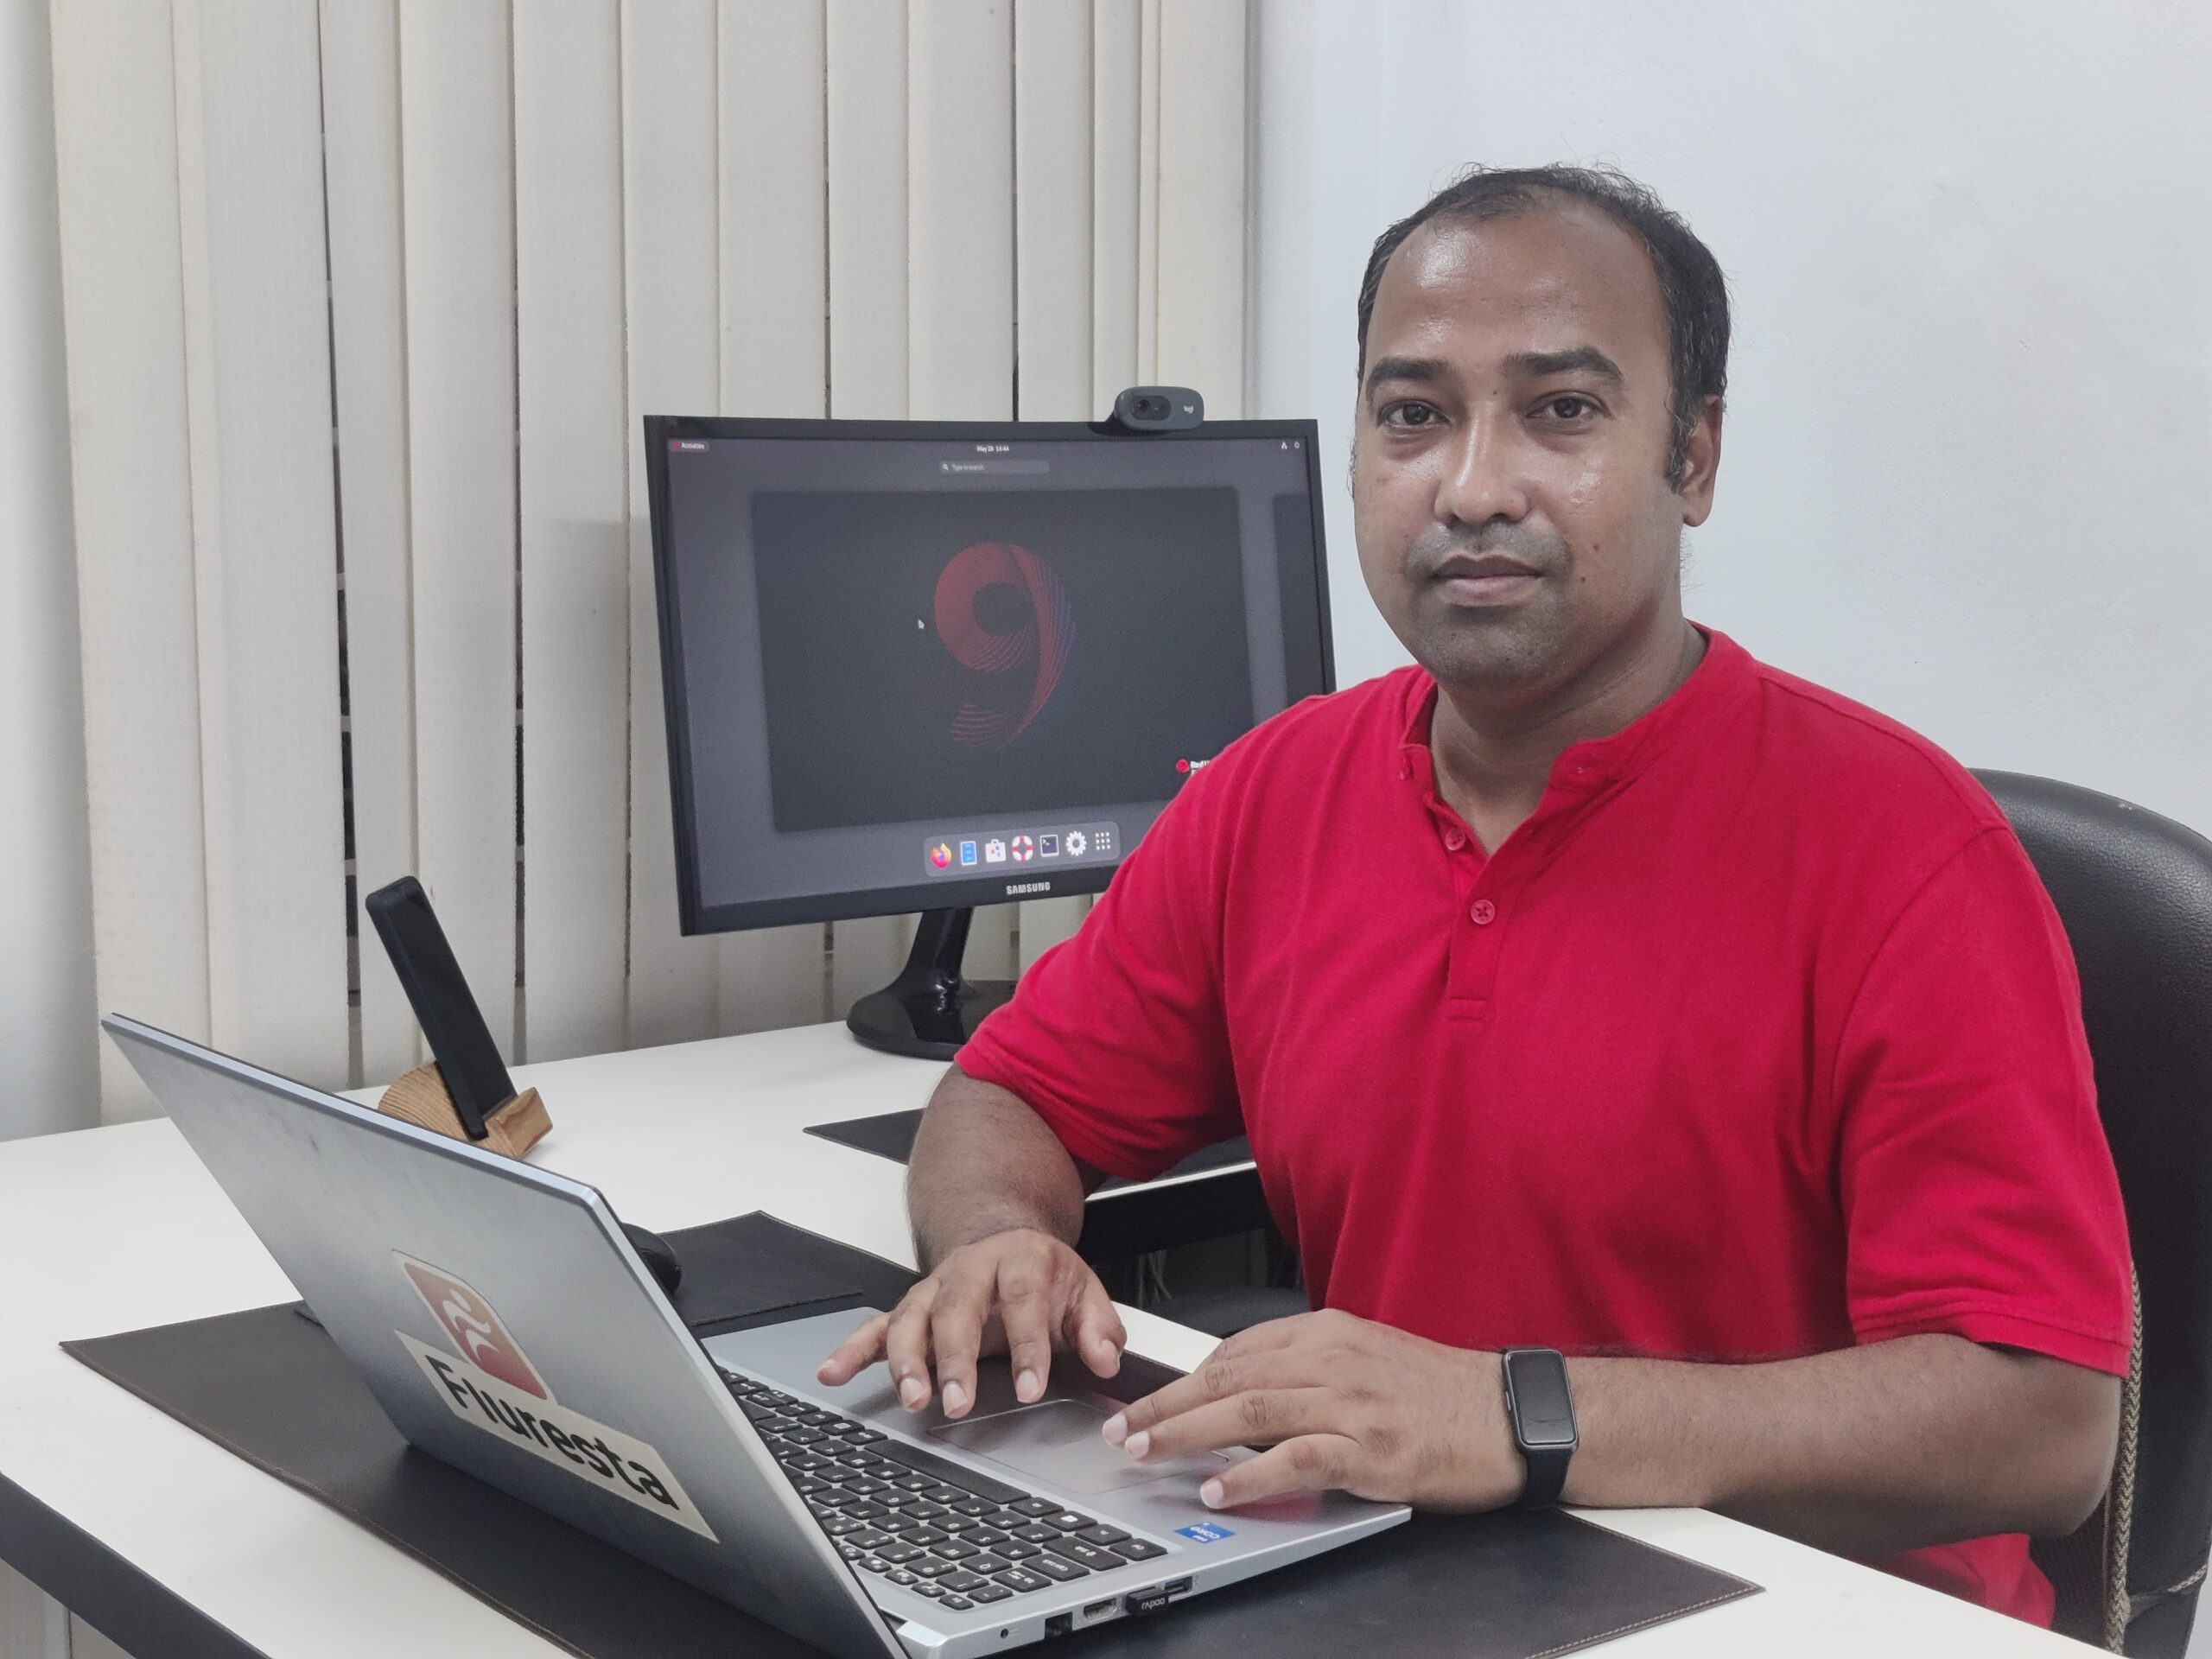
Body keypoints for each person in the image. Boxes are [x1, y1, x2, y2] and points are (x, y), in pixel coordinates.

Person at [817, 164, 2131, 1626]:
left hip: (1799, 1615)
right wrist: (1004, 1238)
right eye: (1414, 415)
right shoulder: (1271, 793)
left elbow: (2043, 1428)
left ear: (1691, 460)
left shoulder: (1904, 851)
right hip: (1408, 1584)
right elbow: (1009, 1097)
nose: (1472, 486)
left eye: (1561, 410)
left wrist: (1516, 1417)